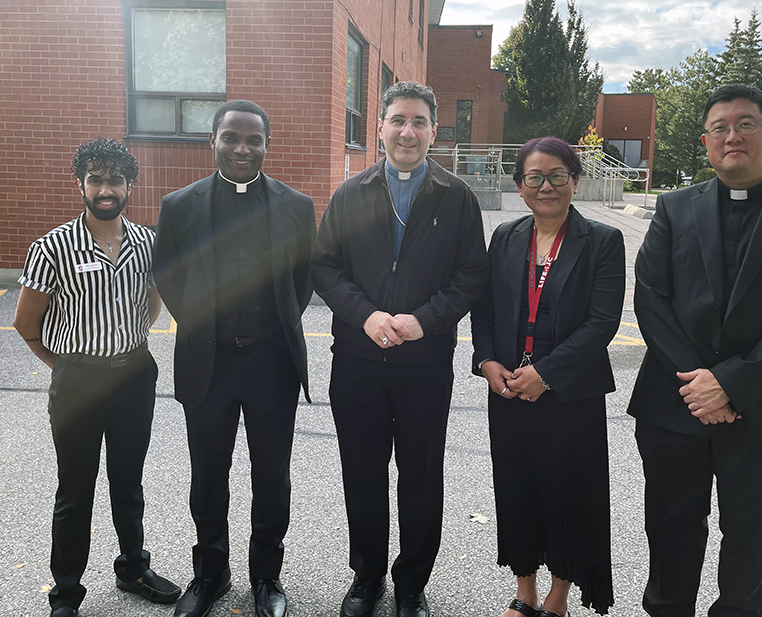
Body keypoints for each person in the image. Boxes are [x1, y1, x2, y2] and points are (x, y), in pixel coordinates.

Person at [628, 84, 762, 617]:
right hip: (675, 405)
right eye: (720, 127)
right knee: (671, 534)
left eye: (745, 124)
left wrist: (732, 383)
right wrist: (700, 381)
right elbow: (651, 298)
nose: (732, 136)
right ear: (706, 142)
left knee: (749, 547)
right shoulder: (675, 207)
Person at [310, 81, 488, 617]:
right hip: (359, 362)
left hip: (424, 365)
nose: (407, 131)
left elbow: (471, 275)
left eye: (418, 122)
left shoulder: (456, 196)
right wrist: (365, 315)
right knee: (361, 472)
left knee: (421, 474)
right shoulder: (350, 193)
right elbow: (324, 267)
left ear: (434, 131)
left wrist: (423, 321)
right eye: (397, 120)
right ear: (380, 126)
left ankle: (412, 583)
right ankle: (366, 578)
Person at [152, 100, 316, 617]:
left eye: (253, 140)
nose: (242, 148)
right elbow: (169, 275)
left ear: (267, 145)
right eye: (232, 138)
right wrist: (204, 325)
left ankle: (267, 577)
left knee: (272, 476)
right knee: (207, 475)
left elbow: (302, 282)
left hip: (272, 364)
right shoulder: (179, 205)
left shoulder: (296, 205)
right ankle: (211, 574)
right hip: (209, 363)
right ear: (213, 141)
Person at [13, 138, 181, 617]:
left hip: (133, 375)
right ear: (81, 183)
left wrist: (124, 342)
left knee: (128, 484)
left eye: (115, 180)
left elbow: (152, 302)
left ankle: (132, 569)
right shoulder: (52, 247)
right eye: (96, 179)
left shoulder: (148, 243)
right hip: (78, 382)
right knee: (75, 488)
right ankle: (66, 592)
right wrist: (67, 367)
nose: (106, 189)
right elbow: (27, 325)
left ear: (130, 184)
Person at [471, 137, 623, 617]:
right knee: (517, 488)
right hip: (510, 387)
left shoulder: (602, 240)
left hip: (569, 393)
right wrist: (486, 359)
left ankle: (559, 594)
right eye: (534, 177)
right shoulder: (507, 237)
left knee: (567, 491)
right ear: (519, 185)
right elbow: (486, 308)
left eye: (558, 175)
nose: (547, 186)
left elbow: (602, 323)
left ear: (575, 181)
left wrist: (547, 374)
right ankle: (525, 590)